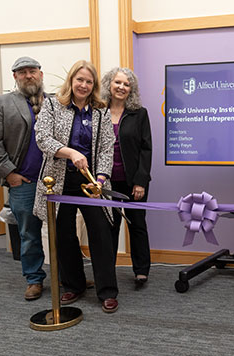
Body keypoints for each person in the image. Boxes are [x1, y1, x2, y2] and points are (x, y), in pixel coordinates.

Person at [33, 60, 120, 313]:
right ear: (71, 81)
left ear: (94, 86)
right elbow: (42, 138)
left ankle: (107, 291)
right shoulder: (51, 105)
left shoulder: (101, 112)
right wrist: (69, 152)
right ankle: (73, 284)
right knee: (63, 234)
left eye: (89, 81)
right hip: (58, 181)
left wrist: (101, 179)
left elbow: (106, 148)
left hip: (91, 181)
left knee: (101, 233)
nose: (83, 85)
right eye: (79, 79)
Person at [0, 56, 46, 300]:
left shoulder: (54, 102)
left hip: (54, 182)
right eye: (22, 72)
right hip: (24, 183)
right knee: (29, 234)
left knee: (62, 233)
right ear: (15, 77)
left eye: (32, 71)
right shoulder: (2, 103)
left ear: (41, 74)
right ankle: (34, 279)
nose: (28, 75)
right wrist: (9, 174)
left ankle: (68, 277)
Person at [101, 67, 152, 287]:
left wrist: (141, 181)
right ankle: (107, 270)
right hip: (106, 182)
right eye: (118, 83)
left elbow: (146, 149)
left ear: (131, 89)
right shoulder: (97, 111)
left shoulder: (139, 113)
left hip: (134, 183)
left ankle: (141, 271)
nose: (121, 87)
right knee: (109, 227)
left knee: (137, 226)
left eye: (126, 84)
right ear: (109, 85)